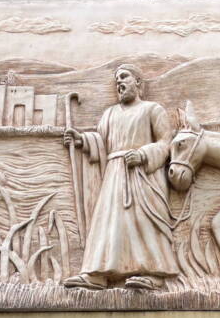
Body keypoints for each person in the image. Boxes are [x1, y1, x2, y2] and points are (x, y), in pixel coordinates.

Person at [62, 64, 178, 290]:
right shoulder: (110, 114)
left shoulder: (152, 109)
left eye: (124, 77)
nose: (119, 82)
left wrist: (143, 154)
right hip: (114, 174)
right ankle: (98, 274)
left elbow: (166, 142)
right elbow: (101, 142)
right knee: (109, 223)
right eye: (117, 80)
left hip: (142, 175)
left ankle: (153, 273)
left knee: (143, 222)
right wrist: (82, 140)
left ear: (138, 82)